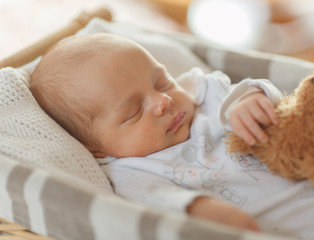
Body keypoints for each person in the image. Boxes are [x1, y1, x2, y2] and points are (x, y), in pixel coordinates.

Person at [29, 33, 283, 233]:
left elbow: (279, 100)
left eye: (162, 83)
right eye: (134, 112)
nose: (163, 101)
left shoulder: (202, 92)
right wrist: (206, 211)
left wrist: (251, 99)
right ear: (95, 147)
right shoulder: (131, 171)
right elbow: (160, 203)